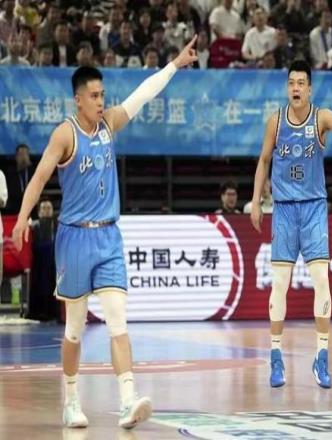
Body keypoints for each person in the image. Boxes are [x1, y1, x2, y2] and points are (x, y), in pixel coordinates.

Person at [13, 36, 198, 430]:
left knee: (118, 322)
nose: (101, 101)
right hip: (75, 238)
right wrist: (20, 220)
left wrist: (175, 64)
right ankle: (71, 400)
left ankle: (128, 399)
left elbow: (143, 95)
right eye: (94, 96)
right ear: (78, 99)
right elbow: (39, 178)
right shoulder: (65, 135)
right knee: (74, 329)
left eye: (103, 95)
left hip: (109, 236)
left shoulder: (110, 124)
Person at [250, 59, 332, 389]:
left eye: (300, 83)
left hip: (313, 208)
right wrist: (256, 201)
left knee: (321, 279)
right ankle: (276, 356)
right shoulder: (275, 121)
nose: (295, 88)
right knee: (280, 283)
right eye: (291, 83)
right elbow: (263, 160)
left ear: (309, 89)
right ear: (287, 88)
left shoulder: (320, 118)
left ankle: (321, 356)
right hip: (284, 209)